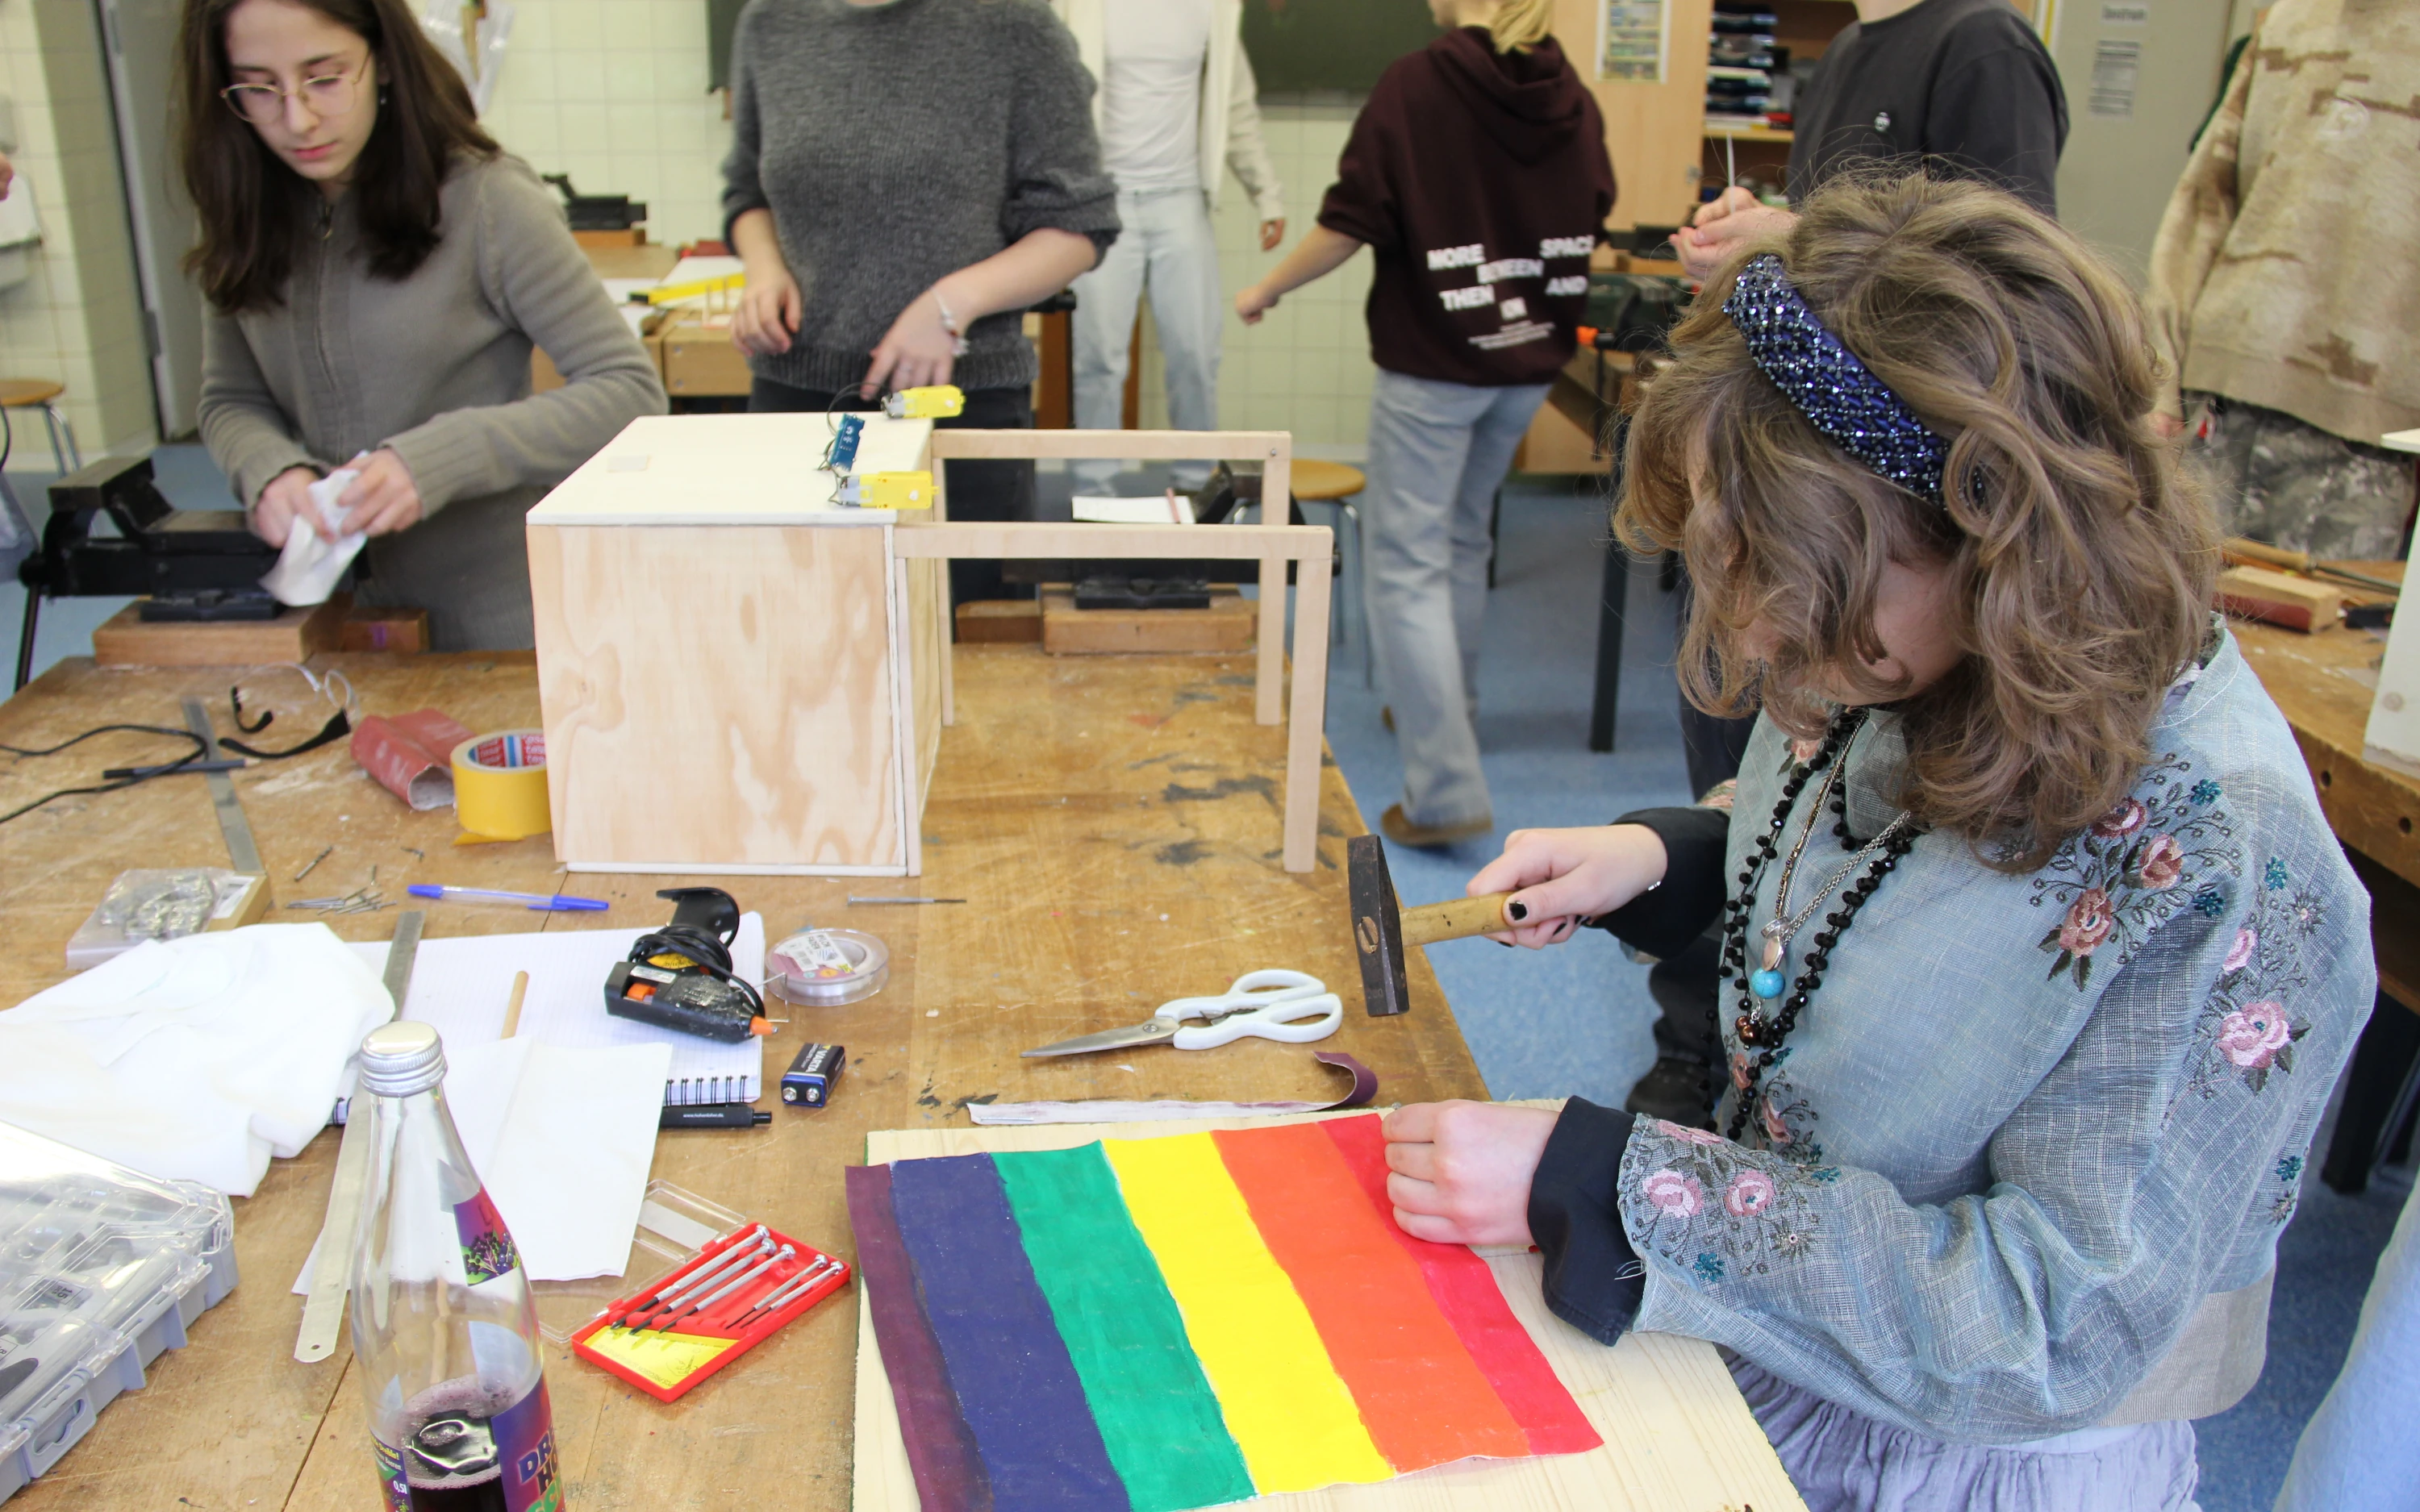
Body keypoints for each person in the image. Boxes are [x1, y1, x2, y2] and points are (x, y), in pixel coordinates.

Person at [1379, 175, 2372, 1510]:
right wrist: (1674, 862)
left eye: (1805, 593)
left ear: (1997, 538)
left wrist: (1618, 1188)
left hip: (1968, 1453)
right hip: (1771, 1336)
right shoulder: (1922, 641)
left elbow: (2048, 1327)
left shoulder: (2230, 871)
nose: (1767, 635)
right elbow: (1873, 873)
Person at [1233, 0, 1613, 848]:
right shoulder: (1566, 90)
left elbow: (1348, 221)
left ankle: (1442, 788)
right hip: (1525, 360)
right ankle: (1447, 711)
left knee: (1405, 564)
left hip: (1436, 366)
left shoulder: (1418, 84)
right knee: (1460, 542)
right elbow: (1594, 202)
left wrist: (1266, 289)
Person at [180, 0, 666, 652]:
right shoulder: (239, 210)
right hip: (329, 622)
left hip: (492, 624)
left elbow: (628, 393)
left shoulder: (487, 200)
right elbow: (231, 399)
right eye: (259, 89)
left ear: (382, 61)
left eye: (324, 78)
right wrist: (270, 470)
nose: (297, 119)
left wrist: (439, 460)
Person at [723, 0, 1119, 609]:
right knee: (799, 640)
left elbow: (1078, 225)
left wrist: (952, 303)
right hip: (799, 406)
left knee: (962, 654)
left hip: (955, 416)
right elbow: (747, 191)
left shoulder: (1013, 25)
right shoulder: (771, 21)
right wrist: (765, 268)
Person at [2145, 0, 2419, 560]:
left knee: (2325, 632)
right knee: (2175, 615)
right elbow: (2203, 209)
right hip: (2222, 400)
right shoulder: (2289, 23)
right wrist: (2159, 376)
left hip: (2371, 435)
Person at [1051, 0, 1283, 494]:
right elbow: (1047, 98)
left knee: (1195, 352)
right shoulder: (1079, 8)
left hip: (1180, 200)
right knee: (1098, 359)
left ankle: (1196, 484)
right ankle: (1093, 491)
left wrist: (1266, 192)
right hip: (1103, 199)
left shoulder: (1213, 10)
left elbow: (1235, 104)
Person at [1678, 0, 2067, 281]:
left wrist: (1790, 234)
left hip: (1916, 391)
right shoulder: (1843, 51)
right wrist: (1756, 234)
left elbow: (2008, 275)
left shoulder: (1987, 44)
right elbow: (1829, 238)